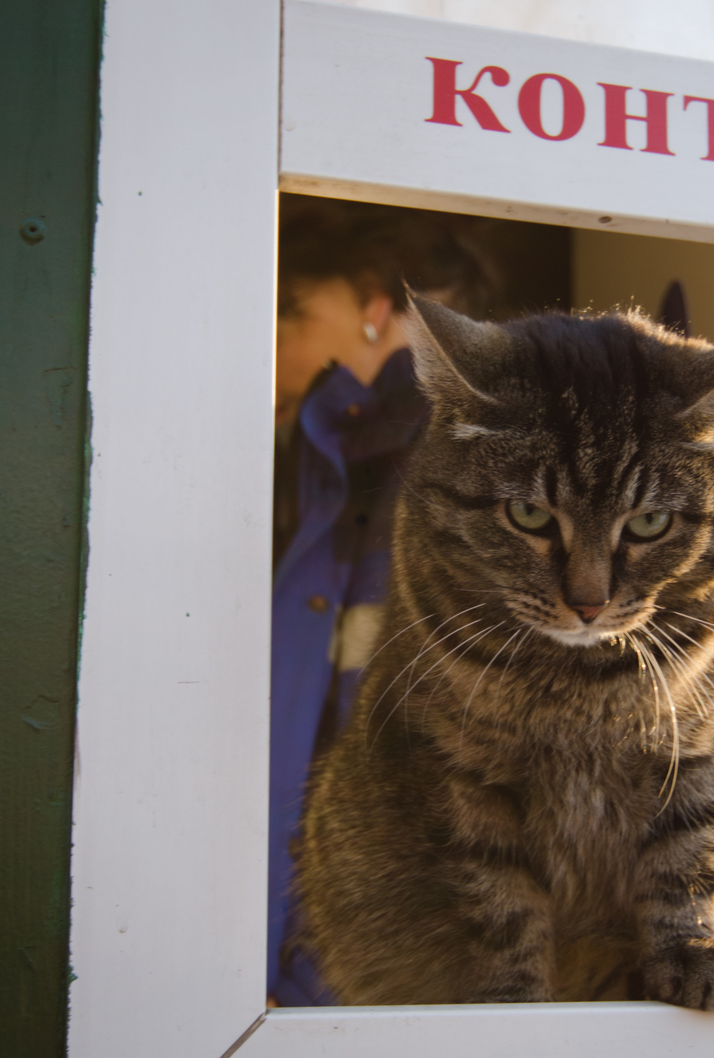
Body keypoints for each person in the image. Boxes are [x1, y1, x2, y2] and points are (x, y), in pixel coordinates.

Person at [268, 198, 494, 1006]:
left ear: (375, 308)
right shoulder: (332, 469)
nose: (272, 344)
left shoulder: (431, 480)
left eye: (288, 311)